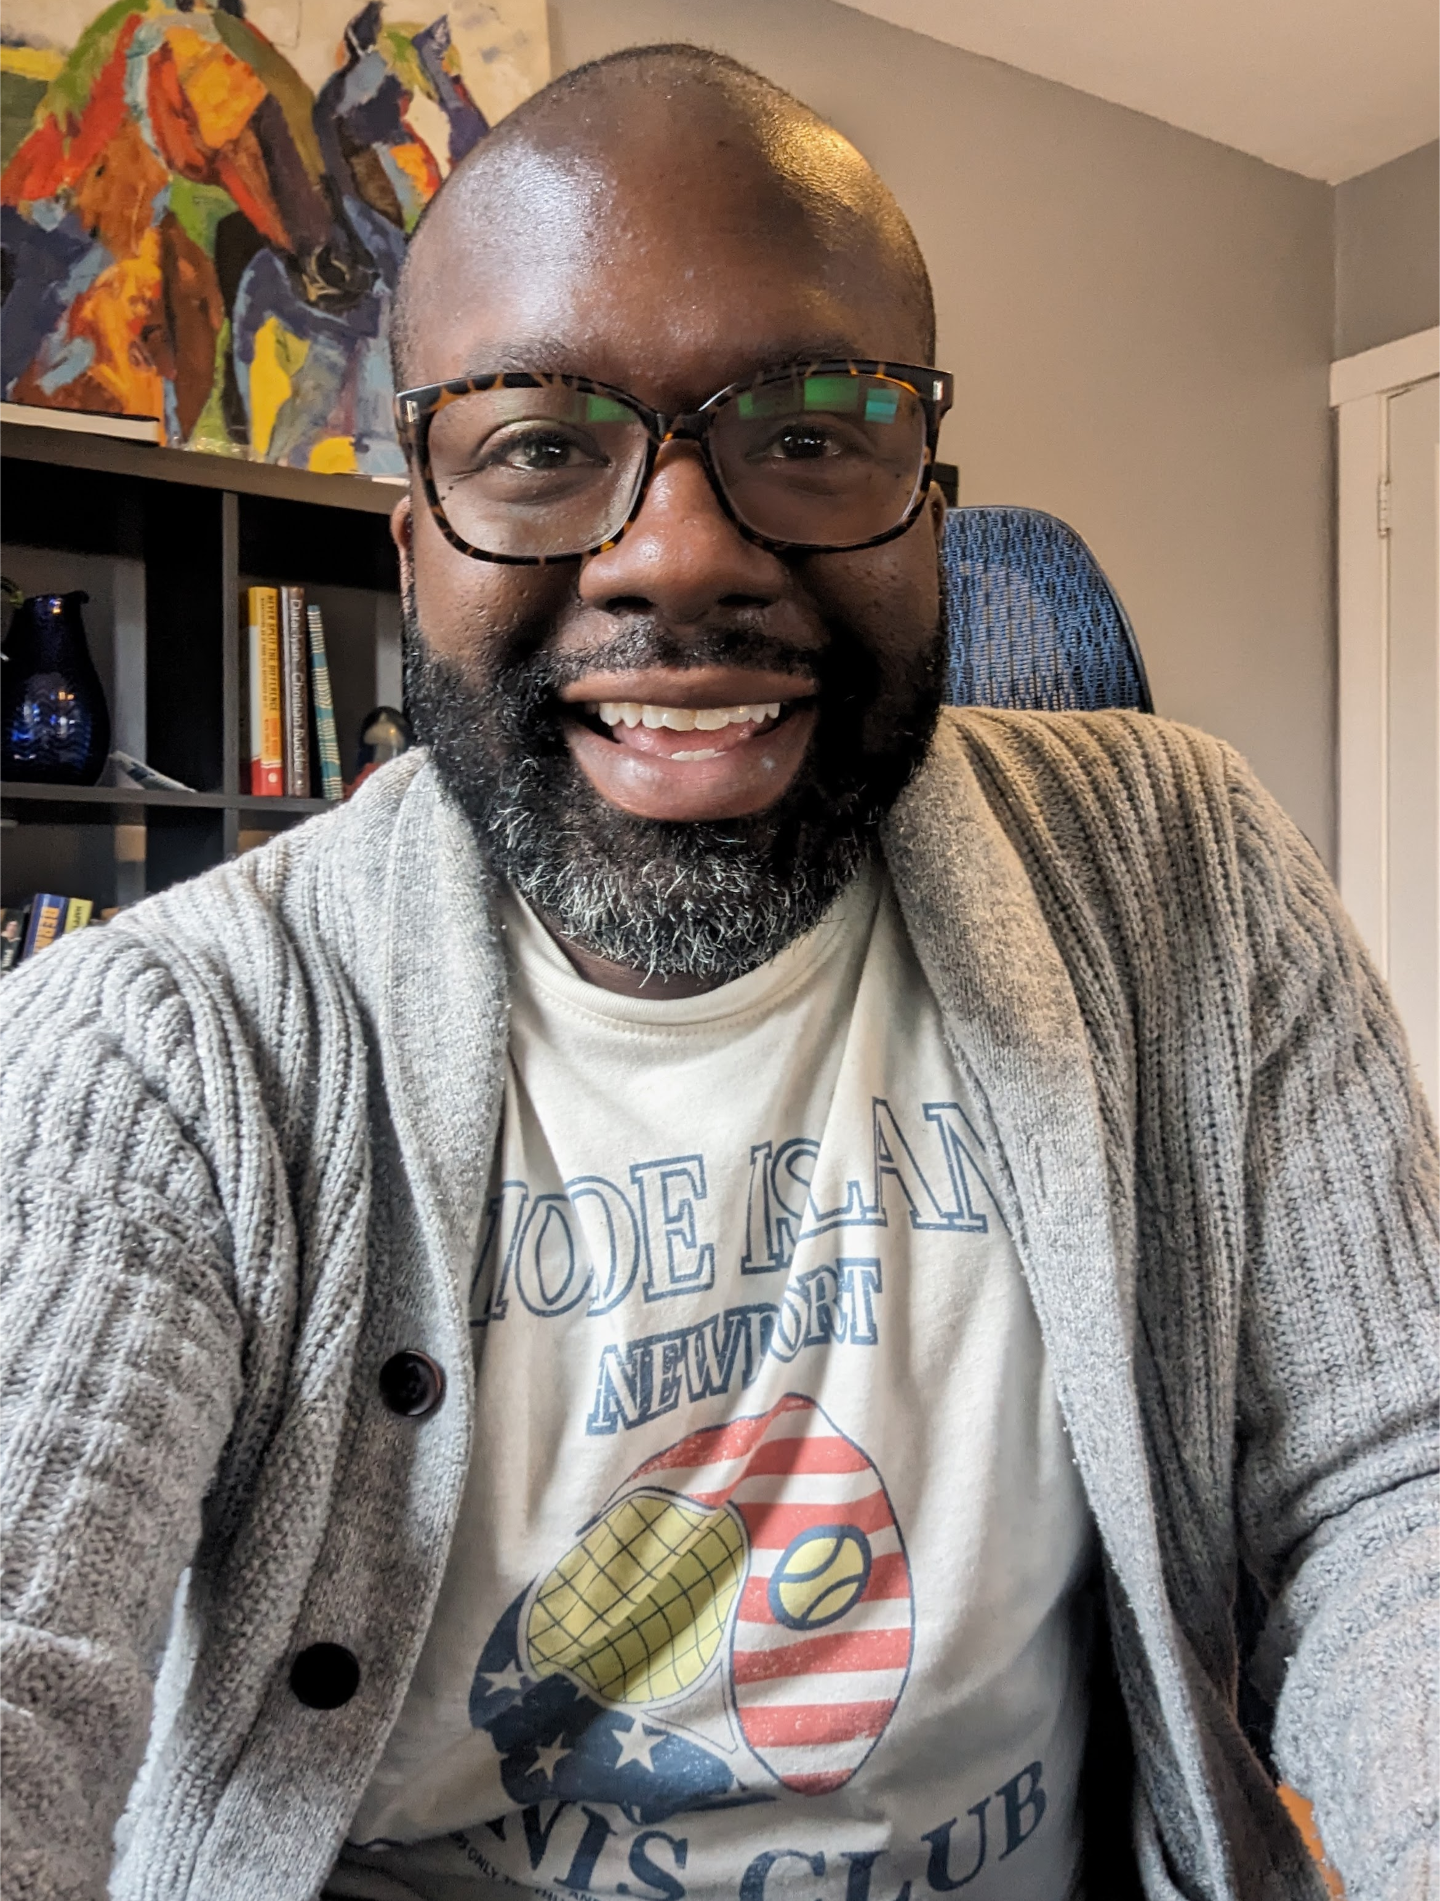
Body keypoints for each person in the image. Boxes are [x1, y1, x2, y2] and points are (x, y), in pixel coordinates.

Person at [0, 41, 1435, 1901]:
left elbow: (1391, 1490)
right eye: (539, 445)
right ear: (416, 547)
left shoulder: (1192, 878)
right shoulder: (165, 1056)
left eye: (811, 431)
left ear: (932, 506)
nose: (679, 554)